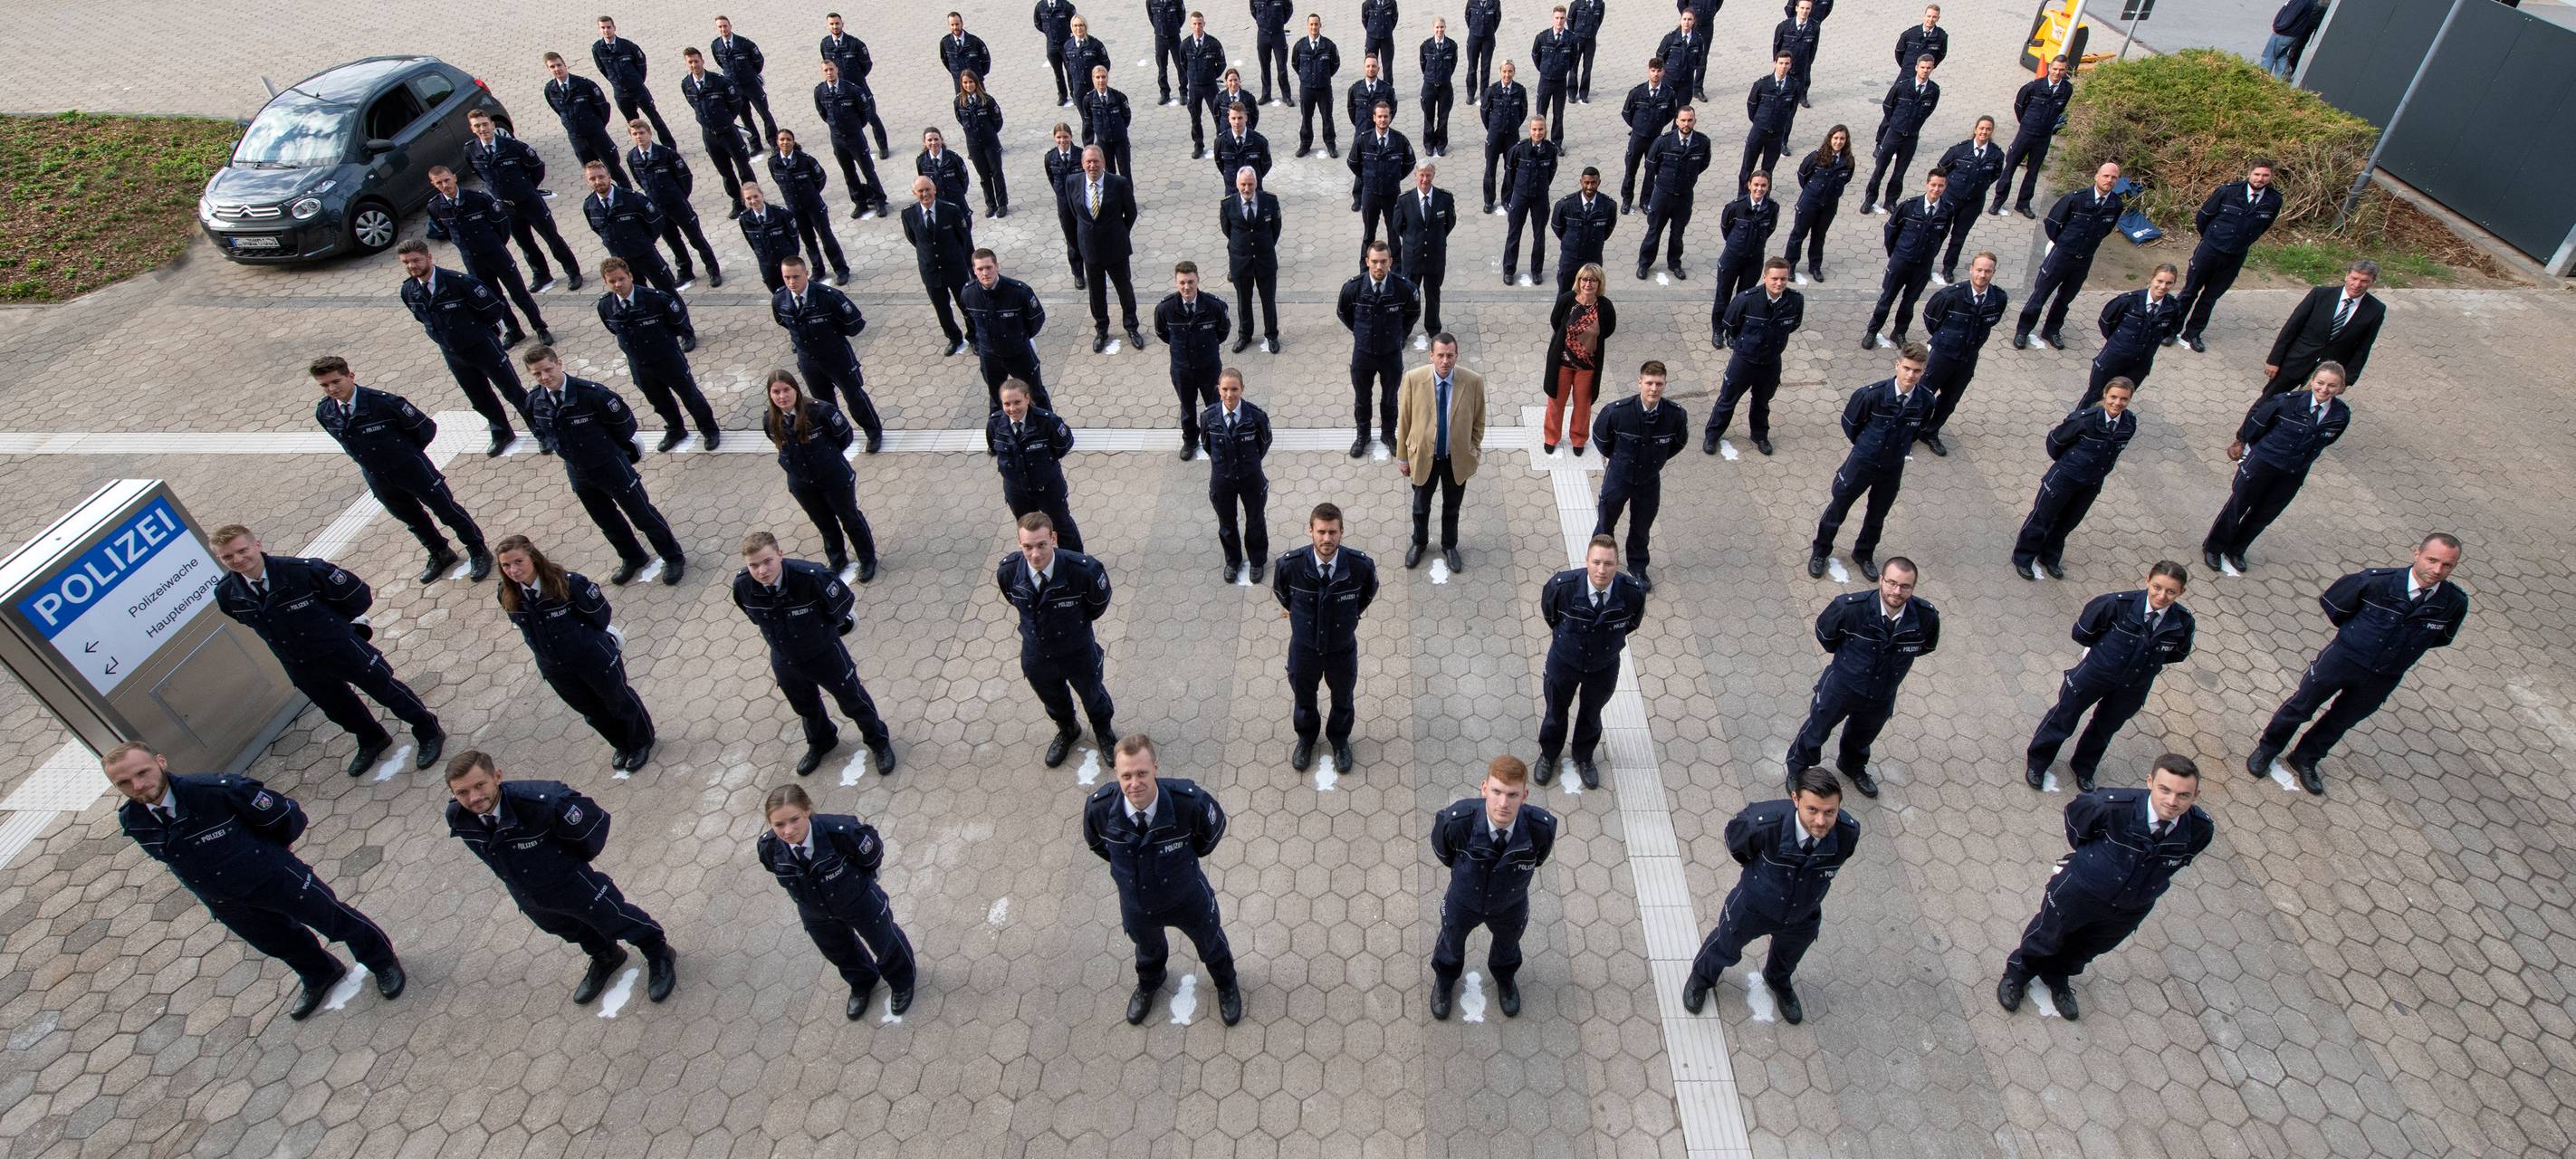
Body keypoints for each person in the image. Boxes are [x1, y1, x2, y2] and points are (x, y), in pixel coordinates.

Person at [106, 743, 405, 1021]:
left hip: (274, 878)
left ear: (160, 762)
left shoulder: (213, 791)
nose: (138, 786)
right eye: (123, 783)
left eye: (142, 772)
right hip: (227, 901)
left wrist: (275, 857)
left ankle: (381, 961)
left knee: (335, 920)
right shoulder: (133, 819)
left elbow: (286, 816)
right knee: (278, 943)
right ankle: (320, 973)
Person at [209, 523, 445, 778]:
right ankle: (371, 738)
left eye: (242, 550)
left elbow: (358, 597)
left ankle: (428, 730)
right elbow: (242, 618)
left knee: (386, 690)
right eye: (228, 557)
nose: (238, 559)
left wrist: (338, 627)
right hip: (298, 662)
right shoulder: (227, 593)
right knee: (337, 708)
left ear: (257, 545)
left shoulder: (302, 571)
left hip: (339, 648)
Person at [445, 749, 677, 1003]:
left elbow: (591, 830)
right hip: (529, 895)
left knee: (614, 917)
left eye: (480, 785)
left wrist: (571, 866)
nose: (474, 797)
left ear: (497, 776)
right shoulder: (458, 816)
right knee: (568, 929)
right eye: (462, 792)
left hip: (572, 883)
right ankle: (606, 955)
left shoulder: (543, 802)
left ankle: (658, 951)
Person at [1997, 755, 2211, 1020]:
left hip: (2130, 907)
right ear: (2150, 782)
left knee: (2088, 948)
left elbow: (2181, 861)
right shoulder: (2112, 806)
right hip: (2081, 890)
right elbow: (2077, 825)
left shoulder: (2200, 828)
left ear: (2196, 795)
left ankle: (2058, 974)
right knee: (2047, 933)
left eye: (2183, 795)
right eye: (2164, 789)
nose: (2171, 801)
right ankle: (2018, 973)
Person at [2250, 533, 2466, 794]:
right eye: (2432, 560)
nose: (2437, 570)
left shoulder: (2454, 602)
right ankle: (2268, 748)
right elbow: (2335, 607)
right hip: (2342, 660)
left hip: (2383, 677)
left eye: (2447, 565)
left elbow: (2440, 638)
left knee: (2341, 721)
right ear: (2416, 554)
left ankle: (2306, 757)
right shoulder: (2376, 582)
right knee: (2301, 706)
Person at [1679, 767, 1858, 1024]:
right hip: (1754, 907)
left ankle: (1778, 980)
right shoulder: (1761, 823)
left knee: (1789, 956)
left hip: (1802, 914)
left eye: (1830, 812)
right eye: (1813, 810)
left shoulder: (1848, 833)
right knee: (1725, 945)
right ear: (1795, 799)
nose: (1821, 821)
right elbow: (1737, 844)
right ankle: (1702, 978)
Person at [1085, 734, 1242, 1025]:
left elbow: (1210, 833)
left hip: (1187, 897)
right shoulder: (1100, 810)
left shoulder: (1188, 803)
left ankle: (1226, 984)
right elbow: (1098, 845)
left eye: (1142, 773)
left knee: (1211, 943)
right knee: (1147, 949)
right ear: (1117, 775)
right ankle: (1150, 982)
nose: (1135, 783)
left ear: (1155, 768)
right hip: (1137, 903)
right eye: (1127, 775)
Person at [311, 356, 492, 582]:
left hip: (412, 469)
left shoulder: (384, 403)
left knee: (447, 511)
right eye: (324, 385)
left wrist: (405, 455)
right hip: (378, 476)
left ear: (350, 376)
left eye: (336, 381)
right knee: (412, 519)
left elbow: (425, 429)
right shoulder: (325, 411)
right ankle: (439, 552)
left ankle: (477, 549)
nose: (331, 389)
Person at [735, 532, 898, 777]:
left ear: (780, 555)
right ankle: (821, 741)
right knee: (806, 707)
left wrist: (822, 634)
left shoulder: (811, 577)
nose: (761, 571)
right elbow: (754, 618)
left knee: (853, 701)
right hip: (785, 658)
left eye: (767, 561)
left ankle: (878, 742)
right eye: (754, 565)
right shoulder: (743, 586)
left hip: (825, 654)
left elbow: (842, 607)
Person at [522, 345, 688, 587]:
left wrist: (611, 452)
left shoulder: (593, 394)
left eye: (548, 369)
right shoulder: (535, 400)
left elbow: (624, 426)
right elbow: (538, 428)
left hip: (610, 466)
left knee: (642, 515)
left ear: (559, 363)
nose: (545, 377)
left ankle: (672, 557)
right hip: (577, 470)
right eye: (537, 374)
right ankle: (632, 556)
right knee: (606, 521)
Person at [492, 534, 658, 771]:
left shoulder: (568, 583)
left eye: (518, 562)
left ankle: (642, 741)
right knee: (591, 711)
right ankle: (621, 744)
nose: (513, 570)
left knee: (618, 700)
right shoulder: (507, 593)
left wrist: (584, 642)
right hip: (555, 667)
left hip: (592, 658)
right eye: (506, 565)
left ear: (533, 558)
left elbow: (600, 616)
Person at [2025, 562, 2196, 791]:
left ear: (2181, 592)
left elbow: (2177, 653)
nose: (2162, 595)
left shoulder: (2182, 622)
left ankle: (2084, 767)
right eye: (2157, 587)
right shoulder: (2116, 604)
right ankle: (2038, 762)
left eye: (2171, 591)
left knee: (2104, 729)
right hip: (2094, 675)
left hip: (2133, 687)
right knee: (2063, 718)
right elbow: (2083, 633)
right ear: (2147, 580)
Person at [758, 785, 916, 1020]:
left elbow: (871, 857)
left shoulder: (843, 832)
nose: (788, 831)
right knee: (839, 952)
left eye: (794, 820)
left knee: (885, 942)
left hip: (858, 901)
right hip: (815, 911)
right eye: (779, 825)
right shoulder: (768, 847)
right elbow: (775, 869)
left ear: (807, 810)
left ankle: (902, 982)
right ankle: (863, 982)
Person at [1786, 558, 1938, 799]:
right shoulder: (1849, 608)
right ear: (1881, 580)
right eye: (1891, 582)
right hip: (1841, 687)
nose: (1897, 591)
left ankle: (1852, 766)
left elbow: (1926, 646)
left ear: (1913, 588)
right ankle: (1798, 768)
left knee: (1863, 736)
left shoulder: (1925, 617)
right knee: (1817, 729)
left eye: (1905, 586)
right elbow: (1826, 635)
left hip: (1882, 694)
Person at [1428, 756, 1559, 1020]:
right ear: (1484, 788)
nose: (1503, 803)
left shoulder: (1540, 828)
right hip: (1463, 901)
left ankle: (1505, 978)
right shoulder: (1458, 821)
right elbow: (1444, 853)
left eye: (1512, 795)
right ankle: (1445, 979)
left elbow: (1539, 859)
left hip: (1509, 905)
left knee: (1508, 947)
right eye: (1497, 792)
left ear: (1524, 795)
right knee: (1450, 943)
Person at [2201, 362, 2351, 573]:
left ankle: (2237, 548)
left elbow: (2329, 440)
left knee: (2265, 513)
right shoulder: (2285, 402)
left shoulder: (2340, 414)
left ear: (2341, 388)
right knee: (2238, 505)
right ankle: (2214, 547)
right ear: (2312, 381)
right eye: (2321, 383)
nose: (2324, 389)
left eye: (2332, 386)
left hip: (2293, 473)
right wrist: (2245, 448)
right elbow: (2256, 427)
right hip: (2263, 464)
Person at [395, 240, 534, 457]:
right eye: (406, 262)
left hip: (482, 347)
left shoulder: (458, 282)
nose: (412, 266)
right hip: (453, 354)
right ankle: (501, 432)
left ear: (429, 258)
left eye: (416, 260)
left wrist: (478, 333)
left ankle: (540, 430)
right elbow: (422, 318)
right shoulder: (409, 290)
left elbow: (493, 310)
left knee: (512, 390)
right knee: (479, 398)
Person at [999, 512, 1116, 767]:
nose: (1035, 554)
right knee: (1052, 698)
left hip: (1078, 651)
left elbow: (1097, 605)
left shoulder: (1083, 570)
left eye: (1041, 545)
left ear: (1053, 538)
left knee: (1093, 695)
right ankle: (1067, 729)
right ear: (1020, 545)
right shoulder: (1009, 571)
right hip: (1037, 653)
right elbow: (1013, 598)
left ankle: (1103, 732)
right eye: (1027, 547)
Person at [1807, 344, 1932, 581]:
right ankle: (1820, 551)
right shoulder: (1871, 395)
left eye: (1916, 371)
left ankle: (1864, 553)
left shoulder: (1925, 401)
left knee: (1877, 515)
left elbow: (1917, 431)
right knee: (1838, 507)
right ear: (1897, 365)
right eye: (1906, 368)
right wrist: (1868, 446)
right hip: (1863, 462)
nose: (1910, 375)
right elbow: (1850, 425)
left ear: (1924, 371)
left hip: (1892, 466)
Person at [1274, 503, 1380, 772]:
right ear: (1310, 531)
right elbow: (1282, 593)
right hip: (1304, 649)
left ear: (1341, 532)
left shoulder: (1360, 566)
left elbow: (1367, 594)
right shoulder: (1290, 565)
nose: (1326, 538)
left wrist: (1350, 618)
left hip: (1341, 649)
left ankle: (1340, 740)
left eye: (1332, 532)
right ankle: (1306, 739)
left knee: (1343, 699)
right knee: (1304, 699)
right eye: (1321, 531)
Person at [1536, 538, 1647, 788]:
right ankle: (1549, 754)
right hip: (1564, 661)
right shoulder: (1562, 587)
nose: (1601, 569)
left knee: (1591, 713)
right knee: (1555, 710)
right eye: (1596, 562)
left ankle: (1584, 757)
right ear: (1586, 561)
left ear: (1617, 565)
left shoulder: (1631, 592)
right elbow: (1550, 615)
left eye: (1608, 563)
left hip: (1603, 666)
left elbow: (1631, 623)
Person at [2011, 380, 2138, 580]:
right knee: (2041, 519)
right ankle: (2024, 557)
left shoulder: (2129, 423)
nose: (2117, 403)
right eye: (2113, 397)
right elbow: (2055, 443)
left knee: (2067, 522)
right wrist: (2068, 465)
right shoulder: (2084, 420)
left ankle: (2050, 556)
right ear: (2105, 395)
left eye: (2124, 399)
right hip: (2064, 478)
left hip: (2091, 483)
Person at [593, 258, 720, 452]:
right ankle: (676, 429)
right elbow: (612, 329)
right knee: (659, 401)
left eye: (621, 279)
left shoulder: (656, 299)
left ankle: (709, 429)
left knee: (690, 396)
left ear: (630, 276)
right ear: (605, 282)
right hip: (640, 365)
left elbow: (679, 325)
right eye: (612, 281)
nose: (618, 285)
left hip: (668, 360)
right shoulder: (605, 306)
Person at [761, 370, 877, 580]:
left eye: (786, 390)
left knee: (850, 518)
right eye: (776, 392)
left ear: (795, 389)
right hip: (801, 481)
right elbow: (778, 444)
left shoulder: (820, 411)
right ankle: (837, 559)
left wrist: (827, 458)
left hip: (832, 476)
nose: (782, 396)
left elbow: (844, 437)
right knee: (824, 522)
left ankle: (867, 559)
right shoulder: (770, 419)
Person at [424, 166, 552, 345]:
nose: (445, 185)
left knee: (519, 293)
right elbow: (445, 231)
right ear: (433, 184)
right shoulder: (435, 206)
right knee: (493, 297)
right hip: (473, 260)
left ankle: (540, 327)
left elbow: (502, 226)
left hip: (496, 254)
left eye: (447, 180)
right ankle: (514, 330)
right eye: (439, 183)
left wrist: (493, 244)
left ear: (454, 177)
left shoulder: (478, 198)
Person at [771, 257, 886, 448]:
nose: (791, 282)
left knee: (854, 395)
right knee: (822, 403)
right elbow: (783, 322)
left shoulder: (829, 297)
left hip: (837, 357)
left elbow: (854, 325)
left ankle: (873, 433)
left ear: (806, 274)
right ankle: (835, 434)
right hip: (808, 360)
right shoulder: (780, 299)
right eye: (787, 277)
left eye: (796, 277)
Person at [464, 110, 583, 292]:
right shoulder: (471, 150)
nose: (483, 129)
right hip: (506, 207)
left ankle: (573, 272)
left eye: (485, 124)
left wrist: (526, 189)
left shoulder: (514, 147)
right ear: (472, 129)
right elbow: (479, 173)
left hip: (529, 202)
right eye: (477, 126)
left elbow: (537, 169)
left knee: (552, 238)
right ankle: (541, 274)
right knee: (525, 244)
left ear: (493, 125)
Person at [2012, 163, 2125, 350]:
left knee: (2066, 298)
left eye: (2113, 177)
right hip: (2062, 255)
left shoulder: (2116, 205)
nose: (2109, 180)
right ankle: (2023, 330)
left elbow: (2107, 229)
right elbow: (2052, 223)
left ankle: (2051, 330)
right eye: (2106, 176)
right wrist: (2064, 243)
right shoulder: (2075, 199)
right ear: (2096, 177)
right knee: (2041, 293)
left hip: (2084, 259)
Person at [1397, 334, 1486, 571]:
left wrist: (1473, 451)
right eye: (1440, 356)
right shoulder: (1414, 379)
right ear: (1431, 356)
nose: (1445, 361)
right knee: (1420, 507)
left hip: (1455, 459)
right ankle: (1419, 542)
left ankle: (1449, 545)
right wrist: (1402, 457)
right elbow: (1404, 420)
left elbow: (1479, 421)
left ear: (1457, 356)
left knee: (1452, 507)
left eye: (1450, 355)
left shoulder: (1473, 381)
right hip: (1423, 457)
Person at [1594, 362, 1687, 588]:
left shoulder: (1674, 415)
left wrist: (1655, 463)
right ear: (1640, 383)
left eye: (1659, 384)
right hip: (1618, 478)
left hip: (1648, 481)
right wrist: (1619, 461)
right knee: (1606, 523)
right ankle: (1600, 567)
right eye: (1649, 383)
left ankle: (1637, 568)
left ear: (1664, 385)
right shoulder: (1617, 412)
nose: (1654, 389)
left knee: (1641, 526)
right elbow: (1601, 440)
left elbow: (1677, 443)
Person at [2174, 162, 2283, 350]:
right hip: (2209, 250)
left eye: (2265, 175)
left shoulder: (2274, 200)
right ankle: (2169, 329)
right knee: (2189, 291)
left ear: (2270, 177)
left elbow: (2265, 225)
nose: (2260, 179)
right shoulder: (2227, 192)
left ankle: (2192, 334)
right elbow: (2203, 217)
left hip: (2235, 256)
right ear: (2249, 174)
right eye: (2257, 174)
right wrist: (2211, 239)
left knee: (2210, 297)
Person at [1706, 258, 1805, 456]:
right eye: (1775, 278)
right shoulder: (1746, 299)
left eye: (1783, 279)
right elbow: (1730, 325)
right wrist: (1746, 344)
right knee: (1727, 400)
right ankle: (1712, 435)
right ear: (1765, 277)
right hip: (1744, 361)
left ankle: (1759, 435)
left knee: (1762, 401)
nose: (1779, 283)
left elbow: (1794, 325)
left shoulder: (1795, 300)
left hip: (1771, 362)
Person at [1913, 251, 2007, 455]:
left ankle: (1930, 432)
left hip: (1967, 358)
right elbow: (1931, 320)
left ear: (1993, 273)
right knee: (1922, 395)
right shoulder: (1950, 295)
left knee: (1949, 400)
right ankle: (1908, 432)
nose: (1982, 275)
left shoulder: (1998, 298)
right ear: (1971, 270)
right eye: (1979, 270)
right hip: (1942, 355)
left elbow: (1993, 320)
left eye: (1987, 271)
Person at [1336, 244, 1422, 456]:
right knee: (1362, 398)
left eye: (1383, 261)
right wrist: (1360, 333)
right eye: (1374, 261)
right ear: (1367, 261)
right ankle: (1362, 435)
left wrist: (1399, 336)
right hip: (1363, 354)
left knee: (1390, 398)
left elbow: (1413, 313)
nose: (1378, 266)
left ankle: (1388, 434)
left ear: (1390, 262)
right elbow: (1343, 313)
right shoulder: (1353, 288)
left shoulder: (1404, 288)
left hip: (1391, 354)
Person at [987, 380, 1087, 553]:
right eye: (1007, 404)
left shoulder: (1047, 421)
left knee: (1062, 527)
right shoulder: (995, 423)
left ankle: (1074, 564)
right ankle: (1038, 563)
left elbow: (1063, 445)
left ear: (1027, 398)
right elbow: (993, 446)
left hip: (1047, 487)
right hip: (1017, 490)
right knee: (1029, 531)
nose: (1012, 408)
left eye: (1017, 402)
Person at [623, 122, 723, 284]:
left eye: (641, 133)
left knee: (695, 238)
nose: (639, 137)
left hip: (677, 204)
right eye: (634, 134)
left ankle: (713, 270)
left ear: (649, 133)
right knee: (673, 241)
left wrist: (679, 196)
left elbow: (684, 177)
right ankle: (685, 271)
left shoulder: (665, 153)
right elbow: (639, 179)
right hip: (658, 208)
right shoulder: (632, 157)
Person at [2262, 261, 2383, 395]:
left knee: (2305, 411)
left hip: (2327, 375)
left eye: (2364, 281)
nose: (2357, 285)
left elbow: (2363, 347)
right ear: (2347, 276)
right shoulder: (2320, 295)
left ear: (2373, 281)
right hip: (2295, 362)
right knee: (2269, 401)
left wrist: (2347, 380)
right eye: (2354, 278)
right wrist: (2274, 360)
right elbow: (2291, 328)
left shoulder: (2376, 309)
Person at [1862, 168, 1951, 350]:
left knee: (1909, 302)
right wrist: (1895, 254)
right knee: (1886, 299)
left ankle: (1899, 332)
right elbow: (1891, 230)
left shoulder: (1947, 210)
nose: (1936, 189)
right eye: (1933, 185)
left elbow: (1942, 235)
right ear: (1927, 184)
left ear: (1945, 187)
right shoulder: (1909, 206)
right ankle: (1873, 331)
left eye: (1940, 186)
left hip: (1923, 265)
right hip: (1901, 261)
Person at [1066, 147, 1144, 352]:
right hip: (1090, 249)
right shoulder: (1072, 182)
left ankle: (1132, 326)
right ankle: (1101, 329)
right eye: (1088, 162)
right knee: (1096, 292)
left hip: (1116, 248)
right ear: (1082, 164)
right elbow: (1074, 213)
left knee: (1124, 289)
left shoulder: (1118, 183)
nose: (1092, 166)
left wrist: (1119, 233)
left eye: (1096, 161)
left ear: (1104, 163)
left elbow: (1131, 212)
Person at [1154, 262, 1233, 458]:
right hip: (1182, 369)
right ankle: (1190, 441)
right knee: (1187, 407)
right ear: (1176, 283)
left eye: (1190, 282)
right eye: (1182, 283)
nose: (1186, 287)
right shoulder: (1165, 309)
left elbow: (1222, 332)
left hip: (1209, 368)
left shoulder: (1214, 306)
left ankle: (1217, 440)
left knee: (1215, 406)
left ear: (1198, 280)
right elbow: (1163, 333)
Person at [1202, 369, 1274, 583]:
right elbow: (1207, 445)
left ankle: (1257, 560)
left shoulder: (1257, 416)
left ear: (1242, 389)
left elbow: (1264, 444)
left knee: (1255, 521)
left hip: (1250, 478)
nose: (1229, 394)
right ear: (1218, 389)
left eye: (1234, 389)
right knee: (1226, 523)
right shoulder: (1208, 417)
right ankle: (1232, 561)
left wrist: (1248, 465)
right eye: (1225, 389)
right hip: (1222, 479)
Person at [960, 249, 1052, 413]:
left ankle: (1050, 433)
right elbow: (971, 322)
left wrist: (1020, 338)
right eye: (980, 269)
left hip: (1019, 353)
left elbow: (1036, 319)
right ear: (974, 270)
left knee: (1036, 395)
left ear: (997, 266)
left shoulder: (1018, 291)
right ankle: (1001, 435)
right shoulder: (968, 293)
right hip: (990, 357)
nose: (985, 273)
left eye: (989, 267)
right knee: (997, 398)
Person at [2083, 263, 2184, 407]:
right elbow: (2106, 322)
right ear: (2152, 279)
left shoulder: (2173, 307)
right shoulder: (2128, 301)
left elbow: (2170, 330)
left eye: (2169, 283)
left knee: (2119, 401)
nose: (2163, 286)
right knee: (2095, 396)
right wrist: (2119, 342)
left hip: (2139, 365)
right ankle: (2075, 427)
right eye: (2159, 281)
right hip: (2113, 359)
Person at [901, 177, 978, 358]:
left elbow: (963, 238)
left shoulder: (951, 210)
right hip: (931, 271)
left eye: (928, 189)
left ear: (934, 190)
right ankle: (954, 338)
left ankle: (975, 337)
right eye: (920, 191)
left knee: (965, 304)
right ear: (915, 193)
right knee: (941, 308)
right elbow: (914, 239)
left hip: (954, 267)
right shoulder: (908, 214)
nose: (925, 194)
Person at [1541, 265, 1614, 455]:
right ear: (1579, 281)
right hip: (1562, 363)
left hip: (1588, 366)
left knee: (1583, 406)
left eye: (1593, 280)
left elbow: (1608, 330)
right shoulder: (1567, 300)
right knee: (1556, 402)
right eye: (1584, 279)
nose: (1588, 284)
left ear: (1599, 283)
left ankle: (1578, 439)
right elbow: (1556, 322)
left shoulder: (1604, 306)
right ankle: (1551, 437)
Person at [677, 50, 758, 218]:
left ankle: (753, 198)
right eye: (690, 62)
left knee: (743, 167)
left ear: (702, 61)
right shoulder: (687, 84)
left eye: (696, 61)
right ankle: (738, 201)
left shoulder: (720, 82)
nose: (694, 65)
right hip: (709, 136)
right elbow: (693, 104)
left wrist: (725, 120)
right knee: (725, 172)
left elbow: (735, 104)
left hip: (728, 133)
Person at [1633, 106, 1711, 279]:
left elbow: (1703, 164)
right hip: (1663, 194)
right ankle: (1644, 263)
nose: (1686, 124)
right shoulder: (1663, 141)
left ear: (1695, 121)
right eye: (1683, 120)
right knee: (1654, 231)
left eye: (1690, 120)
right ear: (1676, 121)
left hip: (1684, 195)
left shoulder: (1702, 142)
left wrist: (1688, 178)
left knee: (1677, 233)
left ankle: (1674, 263)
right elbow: (1651, 164)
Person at [765, 129, 851, 283]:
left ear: (793, 141)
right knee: (808, 241)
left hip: (814, 206)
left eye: (788, 139)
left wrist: (811, 195)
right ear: (777, 142)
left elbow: (820, 179)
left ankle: (841, 269)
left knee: (826, 237)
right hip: (795, 209)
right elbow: (777, 181)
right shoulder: (773, 162)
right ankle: (818, 269)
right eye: (782, 140)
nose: (785, 143)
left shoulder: (806, 160)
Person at [1993, 57, 2074, 218]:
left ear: (2066, 71)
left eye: (2062, 70)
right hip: (2026, 134)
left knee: (2033, 172)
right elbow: (2019, 106)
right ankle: (1998, 201)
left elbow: (2061, 109)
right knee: (2010, 168)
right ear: (2049, 68)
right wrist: (2027, 123)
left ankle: (2023, 204)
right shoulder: (2034, 86)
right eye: (2055, 69)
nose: (2058, 73)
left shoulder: (2066, 89)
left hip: (2043, 138)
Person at [579, 162, 675, 296]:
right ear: (587, 181)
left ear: (609, 177)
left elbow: (656, 222)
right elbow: (598, 229)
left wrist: (644, 242)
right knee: (637, 297)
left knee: (667, 293)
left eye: (601, 177)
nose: (598, 181)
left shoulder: (633, 199)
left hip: (646, 256)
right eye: (592, 179)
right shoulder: (589, 206)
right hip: (622, 263)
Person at [1862, 55, 1939, 213]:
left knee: (1900, 173)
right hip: (1894, 134)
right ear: (1916, 67)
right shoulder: (1903, 86)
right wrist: (1896, 123)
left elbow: (1929, 111)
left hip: (1911, 137)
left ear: (1932, 69)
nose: (1925, 70)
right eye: (1922, 67)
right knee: (1880, 169)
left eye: (1928, 68)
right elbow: (1888, 105)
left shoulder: (1933, 90)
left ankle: (1891, 201)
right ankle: (1869, 199)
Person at [1930, 119, 2004, 283]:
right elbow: (1942, 167)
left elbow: (1996, 174)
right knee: (1939, 231)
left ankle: (1948, 268)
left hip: (1973, 203)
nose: (1984, 132)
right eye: (1981, 128)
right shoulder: (1960, 150)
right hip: (1951, 199)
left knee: (1959, 237)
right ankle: (1927, 263)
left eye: (1988, 129)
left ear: (1992, 132)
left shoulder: (1996, 154)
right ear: (1975, 129)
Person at [1221, 167, 1285, 354]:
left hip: (1265, 260)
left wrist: (1263, 247)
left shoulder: (1270, 201)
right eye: (1243, 185)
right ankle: (1245, 335)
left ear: (1256, 183)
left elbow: (1275, 229)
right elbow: (1228, 231)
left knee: (1268, 300)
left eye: (1250, 184)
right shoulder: (1227, 204)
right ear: (1237, 185)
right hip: (1241, 263)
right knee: (1243, 301)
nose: (1246, 189)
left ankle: (1271, 335)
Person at [543, 53, 633, 187]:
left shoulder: (585, 85)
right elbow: (559, 111)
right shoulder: (550, 90)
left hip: (596, 135)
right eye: (552, 66)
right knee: (592, 175)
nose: (557, 69)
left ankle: (628, 196)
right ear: (548, 69)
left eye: (559, 65)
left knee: (614, 169)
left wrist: (596, 126)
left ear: (565, 65)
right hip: (577, 139)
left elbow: (603, 108)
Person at [814, 62, 890, 219]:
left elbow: (865, 112)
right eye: (826, 70)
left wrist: (854, 127)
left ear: (837, 70)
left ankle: (879, 200)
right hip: (837, 139)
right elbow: (822, 113)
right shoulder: (820, 91)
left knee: (867, 170)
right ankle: (859, 202)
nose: (829, 73)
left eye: (831, 69)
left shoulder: (851, 89)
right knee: (848, 173)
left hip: (855, 137)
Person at [1393, 162, 1458, 339]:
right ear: (1415, 175)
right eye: (1421, 175)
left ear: (1433, 176)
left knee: (1433, 295)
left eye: (1428, 175)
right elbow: (1398, 226)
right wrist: (1413, 241)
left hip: (1435, 259)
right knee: (1408, 297)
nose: (1425, 179)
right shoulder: (1404, 200)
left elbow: (1449, 223)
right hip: (1413, 258)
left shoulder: (1444, 198)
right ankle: (1404, 332)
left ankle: (1434, 329)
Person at [1782, 126, 1854, 283]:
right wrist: (1813, 192)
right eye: (1835, 138)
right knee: (1798, 234)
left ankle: (1815, 267)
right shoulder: (1816, 156)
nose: (1838, 142)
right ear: (1829, 139)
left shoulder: (1848, 161)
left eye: (1842, 138)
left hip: (1829, 205)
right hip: (1810, 202)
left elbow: (1847, 179)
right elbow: (1803, 175)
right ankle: (1790, 266)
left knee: (1819, 236)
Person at [591, 16, 675, 147]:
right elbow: (603, 70)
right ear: (599, 30)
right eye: (603, 28)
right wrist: (617, 82)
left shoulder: (628, 46)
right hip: (621, 94)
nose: (606, 30)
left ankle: (670, 146)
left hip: (638, 90)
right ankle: (644, 149)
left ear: (614, 28)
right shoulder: (597, 49)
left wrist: (636, 82)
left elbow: (641, 65)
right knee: (633, 125)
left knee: (655, 119)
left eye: (608, 27)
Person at [1350, 101, 1419, 257]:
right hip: (1370, 194)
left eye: (1385, 116)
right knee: (1369, 234)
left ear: (1390, 117)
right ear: (1374, 118)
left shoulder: (1399, 139)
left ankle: (1396, 269)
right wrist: (1368, 177)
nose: (1383, 120)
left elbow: (1409, 163)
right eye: (1379, 116)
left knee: (1394, 233)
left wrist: (1395, 178)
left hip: (1392, 194)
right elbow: (1353, 163)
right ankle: (1364, 268)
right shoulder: (1364, 140)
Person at [819, 14, 893, 158]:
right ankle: (862, 149)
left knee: (872, 117)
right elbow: (826, 63)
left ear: (842, 24)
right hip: (841, 91)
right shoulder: (825, 44)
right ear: (828, 26)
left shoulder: (855, 44)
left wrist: (856, 79)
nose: (835, 27)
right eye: (832, 24)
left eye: (837, 23)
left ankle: (883, 146)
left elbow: (866, 65)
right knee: (852, 122)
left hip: (859, 88)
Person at [1499, 117, 1559, 284]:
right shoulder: (1519, 149)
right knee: (1514, 233)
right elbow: (1510, 174)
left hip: (1540, 197)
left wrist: (1542, 187)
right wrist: (1514, 193)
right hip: (1520, 196)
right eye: (1534, 129)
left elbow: (1551, 172)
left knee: (1539, 235)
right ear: (1529, 130)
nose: (1537, 133)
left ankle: (1537, 271)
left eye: (1540, 129)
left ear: (1545, 131)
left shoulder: (1551, 150)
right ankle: (1509, 270)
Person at [1617, 59, 1681, 213]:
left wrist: (1656, 126)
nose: (1656, 74)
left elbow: (1671, 113)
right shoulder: (1637, 92)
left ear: (1663, 72)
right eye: (1653, 70)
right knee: (1630, 170)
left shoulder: (1669, 93)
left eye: (1659, 71)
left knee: (1651, 171)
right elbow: (1626, 113)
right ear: (1648, 71)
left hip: (1655, 139)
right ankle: (1627, 200)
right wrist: (1638, 126)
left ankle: (1645, 201)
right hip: (1637, 138)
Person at [1712, 172, 1782, 309]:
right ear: (1749, 185)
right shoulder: (1735, 207)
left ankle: (1737, 327)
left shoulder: (1773, 208)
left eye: (1763, 185)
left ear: (1768, 187)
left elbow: (1770, 229)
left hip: (1754, 259)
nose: (1759, 189)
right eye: (1756, 185)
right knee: (1723, 295)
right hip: (1732, 256)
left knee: (1745, 297)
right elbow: (1726, 228)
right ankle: (1719, 328)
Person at [1741, 53, 1804, 195]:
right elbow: (1751, 106)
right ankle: (1742, 196)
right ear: (1775, 63)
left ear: (1790, 65)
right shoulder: (1762, 84)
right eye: (1781, 63)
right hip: (1758, 131)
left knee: (1768, 169)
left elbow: (1792, 109)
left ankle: (1764, 197)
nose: (1783, 67)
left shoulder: (1794, 85)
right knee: (1747, 167)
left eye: (1787, 63)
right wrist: (1760, 121)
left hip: (1776, 134)